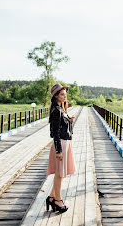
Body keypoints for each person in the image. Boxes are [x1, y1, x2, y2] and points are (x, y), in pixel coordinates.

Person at [46, 84, 76, 213]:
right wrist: (58, 150)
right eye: (62, 94)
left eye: (65, 94)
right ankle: (58, 200)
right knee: (59, 174)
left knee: (61, 174)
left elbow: (62, 127)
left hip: (66, 142)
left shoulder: (61, 109)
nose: (65, 97)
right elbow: (55, 132)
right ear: (56, 96)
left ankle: (52, 197)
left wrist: (69, 121)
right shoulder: (56, 110)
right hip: (61, 144)